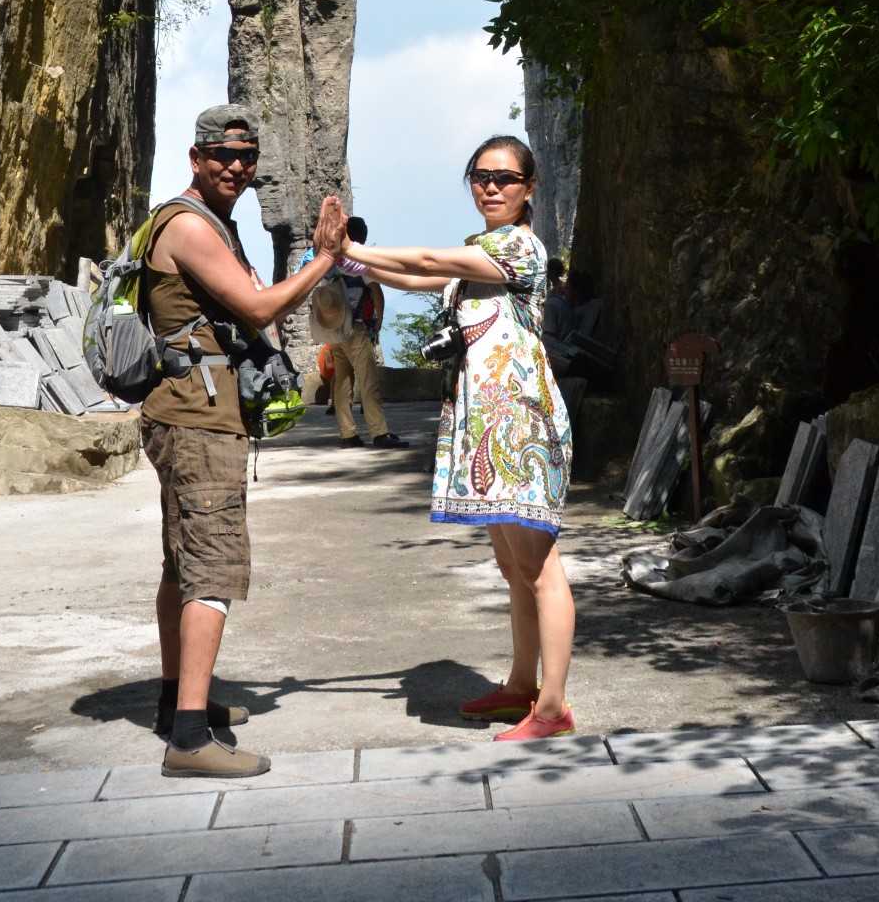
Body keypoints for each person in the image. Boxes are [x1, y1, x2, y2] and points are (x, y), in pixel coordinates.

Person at [320, 135, 576, 740]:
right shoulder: (481, 247)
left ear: (528, 188)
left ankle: (553, 708)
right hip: (486, 422)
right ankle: (521, 686)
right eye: (481, 176)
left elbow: (428, 264)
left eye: (506, 178)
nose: (491, 186)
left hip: (518, 423)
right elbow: (416, 280)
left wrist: (350, 246)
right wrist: (346, 261)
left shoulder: (521, 247)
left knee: (540, 568)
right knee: (515, 568)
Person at [141, 103, 346, 779]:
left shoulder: (211, 225)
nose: (236, 166)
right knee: (213, 568)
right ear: (195, 158)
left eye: (247, 157)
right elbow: (261, 307)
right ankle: (191, 740)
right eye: (223, 155)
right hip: (196, 419)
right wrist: (325, 259)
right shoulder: (190, 227)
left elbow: (251, 295)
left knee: (183, 563)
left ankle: (179, 704)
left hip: (190, 411)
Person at [325, 217, 409, 451]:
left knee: (341, 383)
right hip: (356, 327)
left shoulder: (331, 261)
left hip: (335, 329)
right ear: (361, 236)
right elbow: (375, 288)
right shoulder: (357, 257)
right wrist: (379, 320)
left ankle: (347, 434)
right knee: (368, 380)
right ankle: (379, 432)